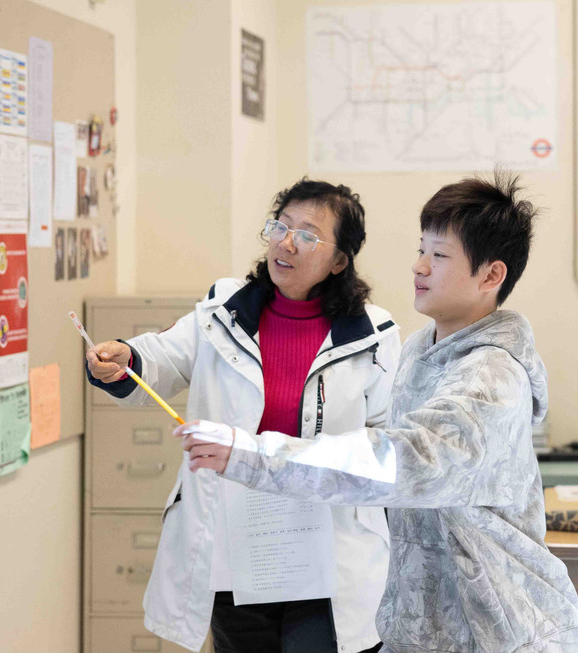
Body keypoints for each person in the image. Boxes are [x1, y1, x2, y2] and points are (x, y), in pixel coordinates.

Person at [177, 172, 578, 653]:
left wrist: (252, 454)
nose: (419, 266)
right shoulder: (420, 349)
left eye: (439, 256)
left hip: (498, 630)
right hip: (423, 627)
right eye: (421, 249)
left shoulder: (491, 379)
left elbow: (401, 462)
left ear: (491, 276)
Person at [85, 179, 401, 653]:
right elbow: (163, 358)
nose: (286, 243)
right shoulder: (224, 310)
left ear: (340, 260)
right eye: (281, 226)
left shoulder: (373, 335)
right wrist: (124, 359)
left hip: (327, 548)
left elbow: (386, 447)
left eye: (308, 235)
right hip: (237, 541)